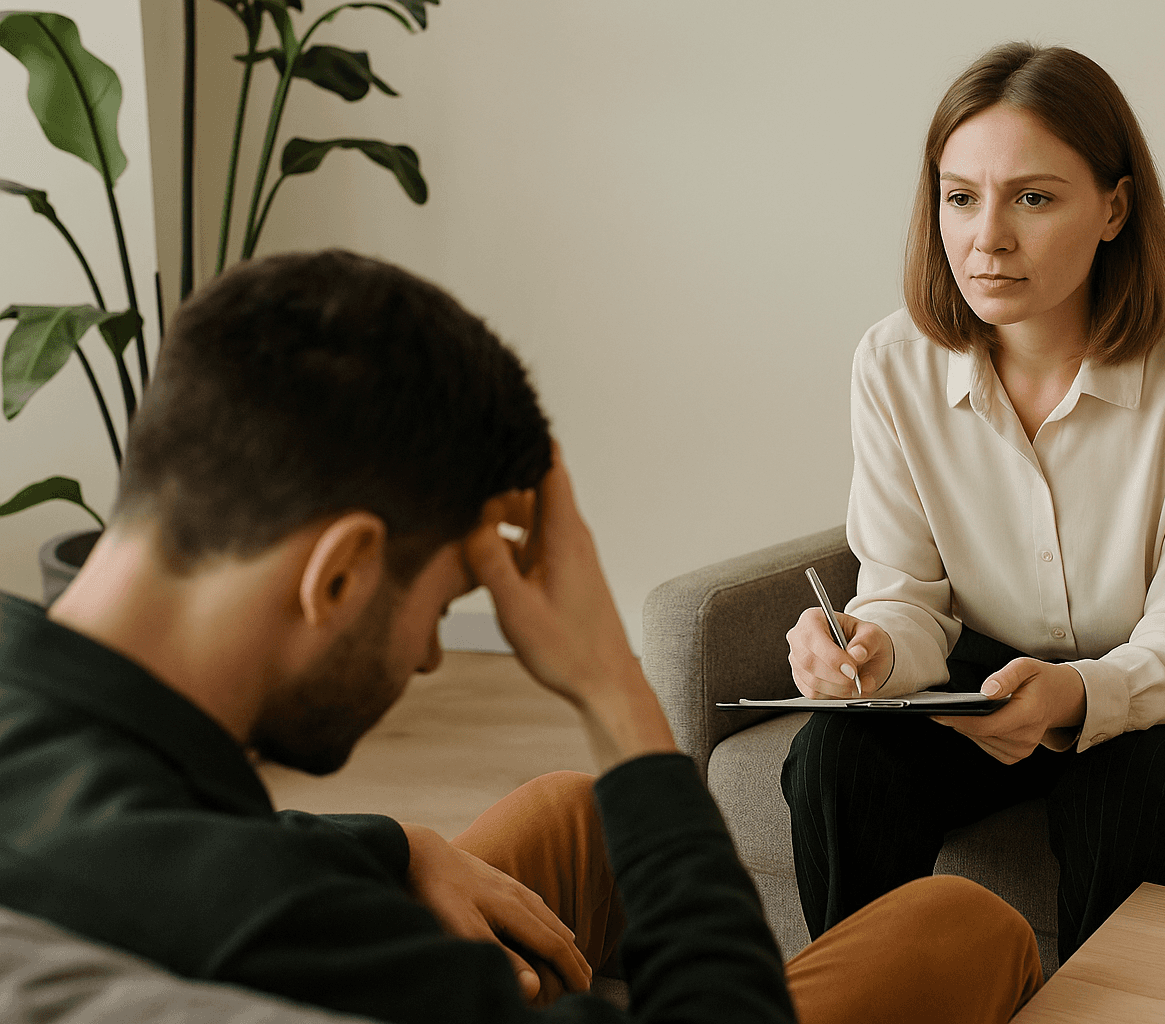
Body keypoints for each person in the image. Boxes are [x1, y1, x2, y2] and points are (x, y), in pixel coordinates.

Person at [0, 251, 1043, 1024]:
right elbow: (219, 891)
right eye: (441, 603)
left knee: (572, 814)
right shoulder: (293, 936)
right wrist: (613, 691)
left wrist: (389, 844)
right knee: (958, 925)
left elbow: (142, 838)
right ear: (341, 573)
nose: (429, 657)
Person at [781, 42, 1165, 965]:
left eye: (1034, 199)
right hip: (981, 679)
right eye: (960, 197)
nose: (987, 239)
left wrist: (1076, 696)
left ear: (1114, 209)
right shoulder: (892, 363)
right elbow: (906, 594)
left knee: (1119, 799)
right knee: (834, 758)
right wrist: (873, 648)